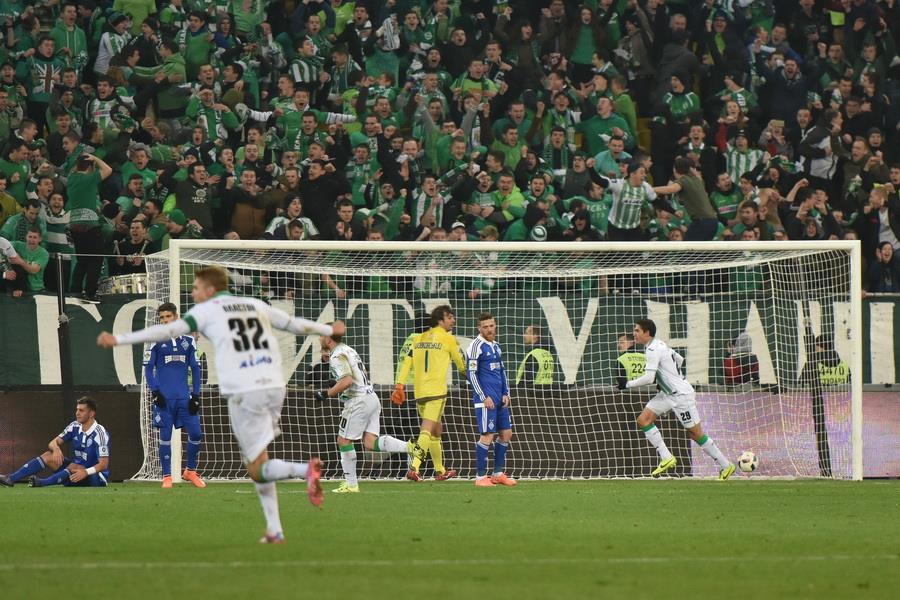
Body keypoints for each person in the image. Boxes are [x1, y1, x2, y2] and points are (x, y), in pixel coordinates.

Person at [97, 266, 344, 543]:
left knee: (256, 468)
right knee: (260, 460)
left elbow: (167, 331)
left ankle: (304, 471)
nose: (193, 293)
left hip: (245, 389)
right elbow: (291, 324)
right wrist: (328, 329)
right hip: (275, 386)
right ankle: (274, 529)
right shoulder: (253, 304)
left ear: (210, 290)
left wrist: (119, 339)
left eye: (196, 288)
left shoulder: (206, 311)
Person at [618, 319, 735, 480]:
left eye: (637, 330)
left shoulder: (652, 349)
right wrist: (666, 379)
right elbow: (679, 359)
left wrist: (627, 384)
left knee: (695, 434)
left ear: (647, 332)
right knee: (644, 420)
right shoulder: (659, 345)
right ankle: (666, 457)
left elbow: (649, 378)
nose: (634, 333)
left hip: (681, 396)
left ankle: (726, 465)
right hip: (668, 393)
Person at [314, 322, 413, 493]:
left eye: (321, 335)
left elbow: (347, 381)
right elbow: (355, 375)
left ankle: (351, 484)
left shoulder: (337, 355)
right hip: (371, 397)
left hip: (358, 400)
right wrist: (335, 383)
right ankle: (410, 447)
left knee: (344, 441)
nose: (319, 339)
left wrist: (326, 393)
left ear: (328, 338)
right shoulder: (349, 349)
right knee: (370, 442)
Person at [392, 305, 466, 482]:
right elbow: (461, 365)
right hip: (436, 392)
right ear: (440, 320)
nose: (453, 320)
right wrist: (478, 378)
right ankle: (414, 467)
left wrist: (399, 386)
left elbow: (407, 363)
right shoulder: (448, 339)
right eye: (450, 317)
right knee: (426, 430)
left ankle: (440, 471)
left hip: (419, 392)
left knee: (436, 430)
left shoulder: (418, 338)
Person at [143, 302, 205, 489]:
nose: (165, 320)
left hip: (184, 398)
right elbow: (148, 370)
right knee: (165, 436)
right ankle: (167, 477)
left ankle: (190, 471)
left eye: (168, 316)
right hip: (164, 398)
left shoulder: (189, 340)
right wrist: (155, 392)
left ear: (176, 317)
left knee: (196, 433)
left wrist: (196, 395)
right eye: (162, 318)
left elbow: (195, 369)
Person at [0, 397, 110, 488]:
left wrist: (85, 472)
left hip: (94, 476)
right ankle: (11, 479)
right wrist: (56, 448)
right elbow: (52, 443)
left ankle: (41, 483)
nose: (77, 413)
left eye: (81, 410)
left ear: (91, 414)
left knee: (77, 466)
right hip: (74, 471)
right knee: (49, 455)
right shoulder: (74, 426)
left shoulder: (100, 433)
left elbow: (103, 464)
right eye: (77, 410)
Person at [466, 313, 516, 487]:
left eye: (491, 326)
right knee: (487, 436)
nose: (489, 329)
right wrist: (483, 396)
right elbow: (471, 374)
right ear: (479, 328)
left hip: (499, 399)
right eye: (485, 327)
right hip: (486, 400)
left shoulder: (496, 346)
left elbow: (501, 371)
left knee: (506, 433)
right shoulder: (475, 346)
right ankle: (480, 477)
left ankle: (497, 474)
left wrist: (506, 393)